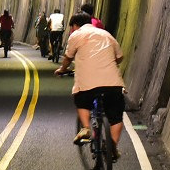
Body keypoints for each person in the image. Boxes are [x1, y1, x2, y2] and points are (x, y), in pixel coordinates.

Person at [54, 12, 126, 159]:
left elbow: (68, 57)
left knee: (81, 100)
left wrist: (62, 69)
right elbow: (119, 57)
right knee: (116, 117)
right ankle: (112, 145)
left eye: (72, 27)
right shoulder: (106, 34)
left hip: (88, 84)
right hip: (113, 83)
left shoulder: (76, 35)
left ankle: (86, 128)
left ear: (75, 25)